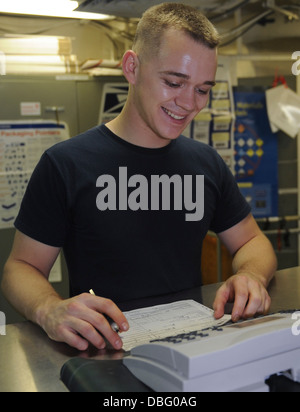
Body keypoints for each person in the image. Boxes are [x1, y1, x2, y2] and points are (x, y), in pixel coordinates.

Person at [1, 3, 277, 351]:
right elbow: (20, 267)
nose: (189, 103)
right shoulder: (66, 164)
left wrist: (250, 275)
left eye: (203, 89)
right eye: (174, 82)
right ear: (132, 68)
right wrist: (48, 309)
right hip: (103, 356)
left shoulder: (205, 163)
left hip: (190, 347)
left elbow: (253, 242)